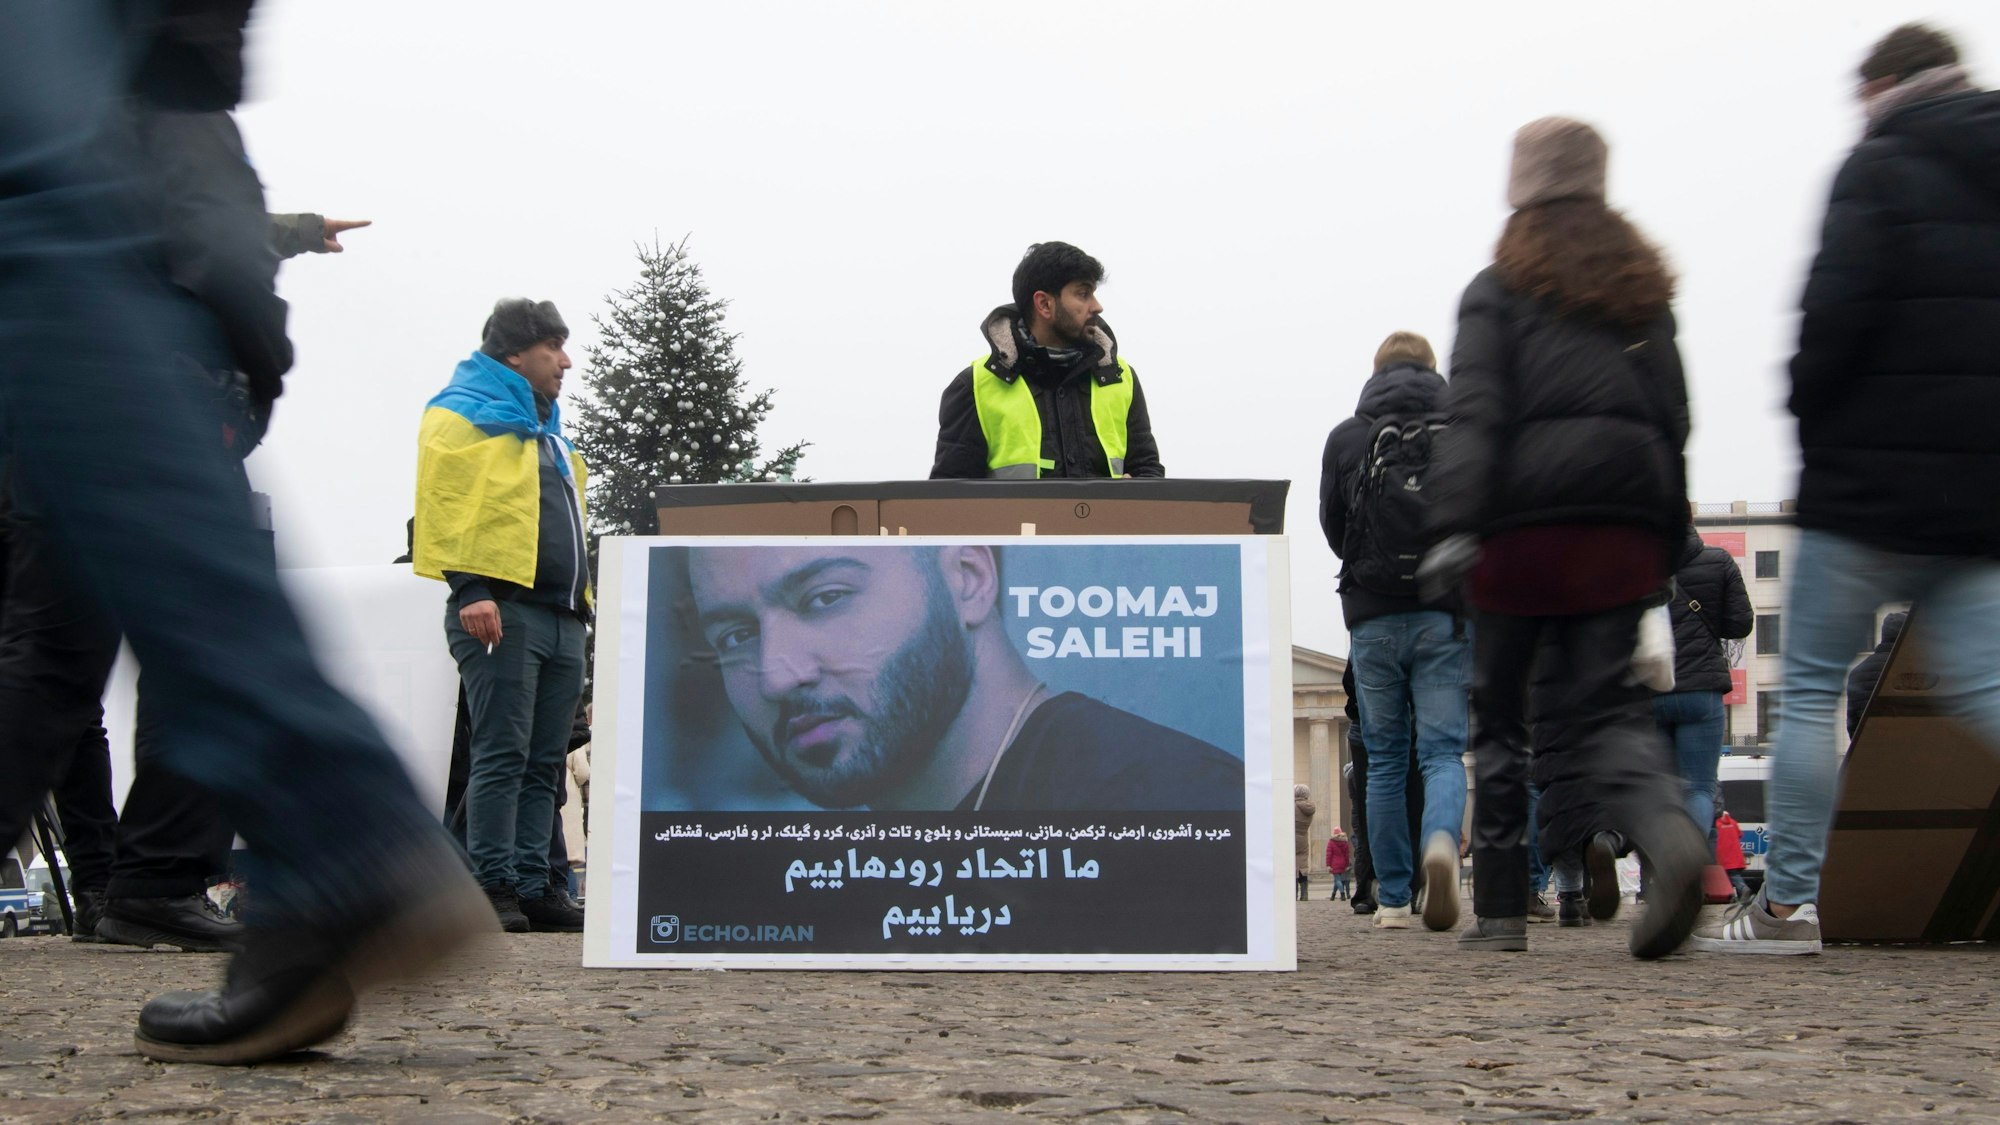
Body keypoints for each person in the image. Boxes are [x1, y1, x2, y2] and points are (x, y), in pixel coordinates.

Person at [0, 1, 489, 1065]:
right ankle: (332, 831)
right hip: (192, 338)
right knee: (50, 224)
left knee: (39, 225)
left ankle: (335, 830)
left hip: (181, 342)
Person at [1694, 24, 2000, 955]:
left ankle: (1786, 908)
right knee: (1991, 687)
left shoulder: (1876, 167)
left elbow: (1832, 315)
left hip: (1866, 484)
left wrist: (1809, 414)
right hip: (1980, 487)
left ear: (1883, 84)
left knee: (1815, 690)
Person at [1420, 116, 1710, 958]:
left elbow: (1474, 413)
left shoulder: (1496, 289)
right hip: (1618, 527)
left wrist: (1453, 523)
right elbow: (1673, 416)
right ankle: (1664, 825)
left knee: (1501, 720)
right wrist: (1664, 526)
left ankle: (1504, 912)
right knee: (1607, 709)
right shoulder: (1640, 290)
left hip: (1520, 532)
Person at [683, 544, 1241, 811]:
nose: (776, 677)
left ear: (969, 581)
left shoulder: (1178, 803)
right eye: (735, 636)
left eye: (826, 598)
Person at [414, 299, 592, 935]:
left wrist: (582, 610)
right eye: (554, 348)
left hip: (561, 615)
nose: (565, 361)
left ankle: (534, 884)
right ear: (516, 353)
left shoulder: (547, 431)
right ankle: (489, 886)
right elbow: (443, 504)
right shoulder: (460, 416)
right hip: (502, 609)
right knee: (501, 751)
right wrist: (470, 588)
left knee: (544, 760)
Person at [1320, 330, 1471, 933]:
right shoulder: (1461, 431)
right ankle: (1440, 841)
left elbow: (1334, 525)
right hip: (1444, 612)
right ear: (1433, 371)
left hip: (1373, 614)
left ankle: (1392, 900)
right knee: (1440, 752)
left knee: (1383, 760)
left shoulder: (1347, 437)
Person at [930, 242, 1164, 480]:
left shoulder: (1121, 378)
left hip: (1109, 520)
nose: (1097, 306)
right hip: (1017, 520)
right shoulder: (974, 387)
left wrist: (1136, 491)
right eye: (1083, 294)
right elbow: (949, 503)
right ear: (1044, 304)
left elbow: (1148, 471)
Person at [1656, 528, 1753, 900]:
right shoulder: (1718, 561)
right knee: (1698, 786)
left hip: (1651, 687)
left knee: (1663, 789)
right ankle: (1686, 866)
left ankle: (1662, 866)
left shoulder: (1638, 563)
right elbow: (1739, 624)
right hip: (1702, 689)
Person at [1844, 610, 1906, 739]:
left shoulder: (1857, 672)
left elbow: (1852, 722)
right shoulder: (1911, 670)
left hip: (1869, 748)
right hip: (1904, 745)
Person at [1714, 809, 1749, 902]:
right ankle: (1734, 896)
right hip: (1736, 855)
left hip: (1724, 855)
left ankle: (1742, 888)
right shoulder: (1733, 822)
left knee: (1731, 875)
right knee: (1732, 875)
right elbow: (1740, 834)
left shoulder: (1716, 824)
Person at [1294, 784, 1315, 901]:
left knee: (1292, 865)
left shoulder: (1293, 805)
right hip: (1303, 836)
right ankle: (1304, 894)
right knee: (1302, 865)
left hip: (1291, 836)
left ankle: (1294, 893)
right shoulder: (1310, 807)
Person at [1326, 828, 1352, 900]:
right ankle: (1333, 895)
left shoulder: (1331, 842)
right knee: (1337, 880)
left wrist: (1328, 864)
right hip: (1342, 862)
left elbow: (1329, 854)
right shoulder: (1345, 842)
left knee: (1337, 880)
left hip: (1334, 863)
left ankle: (1342, 894)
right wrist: (1346, 864)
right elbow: (1347, 855)